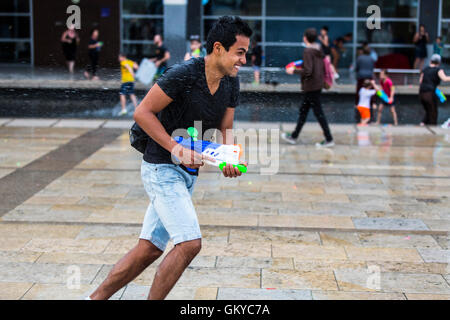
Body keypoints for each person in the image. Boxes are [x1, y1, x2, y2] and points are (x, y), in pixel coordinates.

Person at [87, 16, 252, 300]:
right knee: (189, 243)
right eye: (240, 52)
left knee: (149, 248)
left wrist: (229, 159)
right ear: (218, 48)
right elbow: (142, 112)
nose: (244, 60)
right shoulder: (184, 74)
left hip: (188, 174)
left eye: (246, 53)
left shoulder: (230, 83)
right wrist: (175, 149)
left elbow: (226, 128)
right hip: (161, 168)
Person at [281, 28, 334, 147]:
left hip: (311, 86)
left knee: (318, 113)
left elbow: (308, 70)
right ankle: (294, 136)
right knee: (304, 112)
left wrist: (293, 71)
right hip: (317, 84)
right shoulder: (318, 48)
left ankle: (329, 139)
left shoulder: (308, 51)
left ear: (305, 38)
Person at [419, 54, 450, 126]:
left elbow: (420, 81)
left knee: (428, 111)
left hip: (421, 93)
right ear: (439, 62)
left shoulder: (425, 69)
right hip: (429, 94)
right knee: (433, 112)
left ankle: (422, 125)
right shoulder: (438, 70)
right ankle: (433, 131)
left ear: (431, 61)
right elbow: (444, 78)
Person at [355, 44, 376, 122]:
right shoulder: (371, 59)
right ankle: (372, 103)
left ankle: (357, 103)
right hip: (369, 76)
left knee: (359, 90)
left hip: (361, 76)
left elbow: (357, 68)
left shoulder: (359, 58)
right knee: (370, 90)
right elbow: (372, 68)